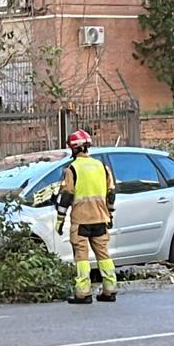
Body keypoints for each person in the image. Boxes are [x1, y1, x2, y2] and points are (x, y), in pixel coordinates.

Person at [56, 130, 118, 304]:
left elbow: (66, 196)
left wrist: (60, 221)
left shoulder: (72, 169)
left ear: (74, 149)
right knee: (104, 255)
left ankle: (83, 292)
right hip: (101, 219)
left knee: (81, 257)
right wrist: (110, 215)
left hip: (81, 221)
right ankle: (110, 289)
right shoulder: (102, 167)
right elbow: (111, 194)